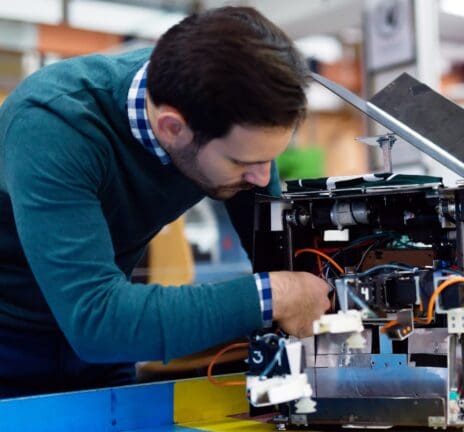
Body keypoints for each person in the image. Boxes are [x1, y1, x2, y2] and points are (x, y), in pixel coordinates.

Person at [0, 7, 330, 398]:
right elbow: (96, 320)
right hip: (13, 338)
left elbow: (284, 270)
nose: (262, 178)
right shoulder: (54, 126)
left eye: (268, 158)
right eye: (242, 162)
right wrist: (274, 295)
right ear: (172, 128)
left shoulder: (230, 121)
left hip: (102, 349)